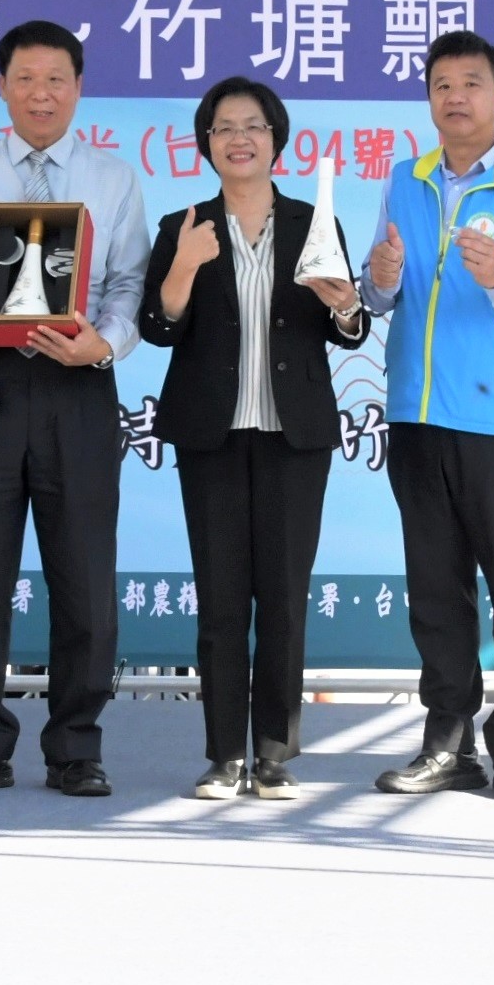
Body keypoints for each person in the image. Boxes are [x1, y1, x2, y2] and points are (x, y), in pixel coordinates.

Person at [0, 21, 152, 798]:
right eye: (25, 78)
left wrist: (105, 345)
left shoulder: (113, 178)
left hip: (77, 386)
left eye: (56, 79)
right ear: (2, 86)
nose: (40, 94)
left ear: (78, 88)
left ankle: (76, 745)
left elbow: (130, 283)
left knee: (84, 574)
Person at [138, 78, 369, 801]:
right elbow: (158, 327)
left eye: (254, 126)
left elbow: (348, 329)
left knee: (285, 598)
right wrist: (185, 264)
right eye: (224, 127)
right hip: (210, 434)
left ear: (276, 139)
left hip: (293, 436)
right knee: (221, 600)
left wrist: (348, 304)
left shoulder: (314, 223)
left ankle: (272, 755)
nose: (240, 138)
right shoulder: (183, 225)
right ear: (206, 144)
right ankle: (222, 756)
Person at [359, 30, 494, 801]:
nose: (456, 97)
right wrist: (381, 277)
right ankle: (447, 742)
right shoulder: (405, 180)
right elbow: (377, 297)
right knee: (435, 590)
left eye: (471, 83)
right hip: (418, 414)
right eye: (442, 84)